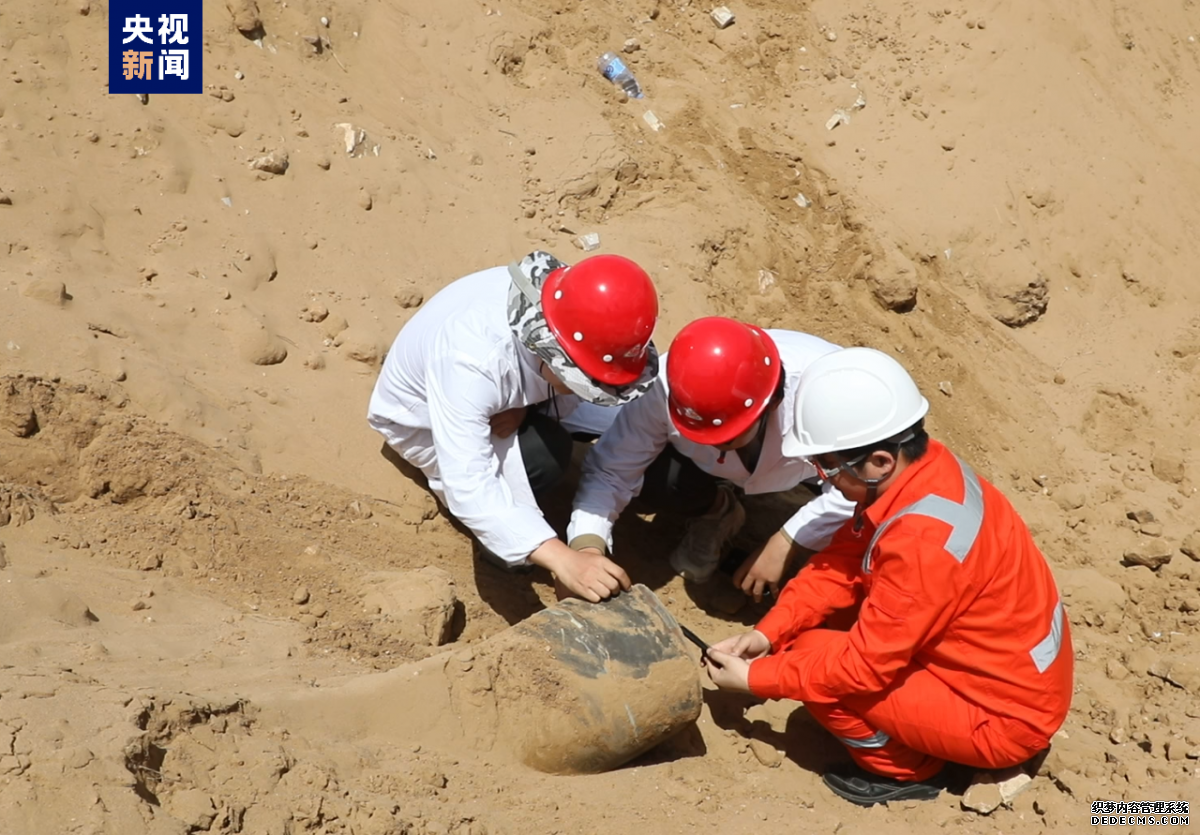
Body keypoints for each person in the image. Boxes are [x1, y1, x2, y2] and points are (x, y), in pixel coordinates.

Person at [703, 347, 1073, 807]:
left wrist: (757, 678)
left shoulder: (921, 541)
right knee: (810, 638)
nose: (824, 477)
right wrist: (768, 633)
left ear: (878, 460)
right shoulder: (925, 472)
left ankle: (908, 771)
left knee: (815, 662)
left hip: (1004, 717)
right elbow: (840, 562)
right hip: (1009, 675)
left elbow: (859, 670)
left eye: (828, 466)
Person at [367, 250, 661, 603]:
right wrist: (562, 559)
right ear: (554, 353)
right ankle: (504, 552)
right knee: (545, 455)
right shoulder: (471, 363)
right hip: (421, 419)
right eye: (587, 382)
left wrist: (523, 406)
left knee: (604, 424)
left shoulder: (573, 308)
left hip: (499, 396)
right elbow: (470, 483)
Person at [568, 317, 855, 598]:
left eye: (727, 437)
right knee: (658, 477)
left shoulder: (830, 393)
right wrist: (587, 546)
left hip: (816, 469)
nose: (716, 447)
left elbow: (872, 484)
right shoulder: (666, 386)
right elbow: (613, 469)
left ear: (773, 402)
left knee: (857, 535)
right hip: (706, 467)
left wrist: (788, 539)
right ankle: (719, 511)